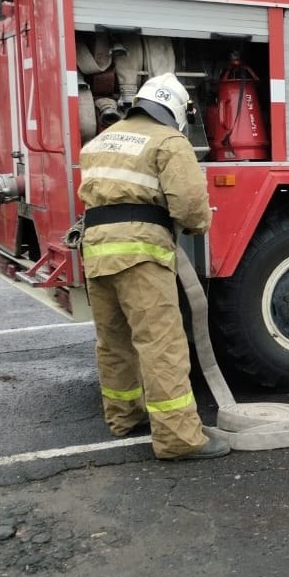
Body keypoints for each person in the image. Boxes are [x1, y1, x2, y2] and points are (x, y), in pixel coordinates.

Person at [77, 73, 228, 460]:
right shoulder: (168, 141)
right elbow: (190, 206)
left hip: (96, 252)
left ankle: (124, 416)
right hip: (141, 255)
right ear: (175, 111)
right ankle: (178, 439)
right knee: (161, 344)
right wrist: (195, 226)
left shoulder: (100, 141)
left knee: (114, 341)